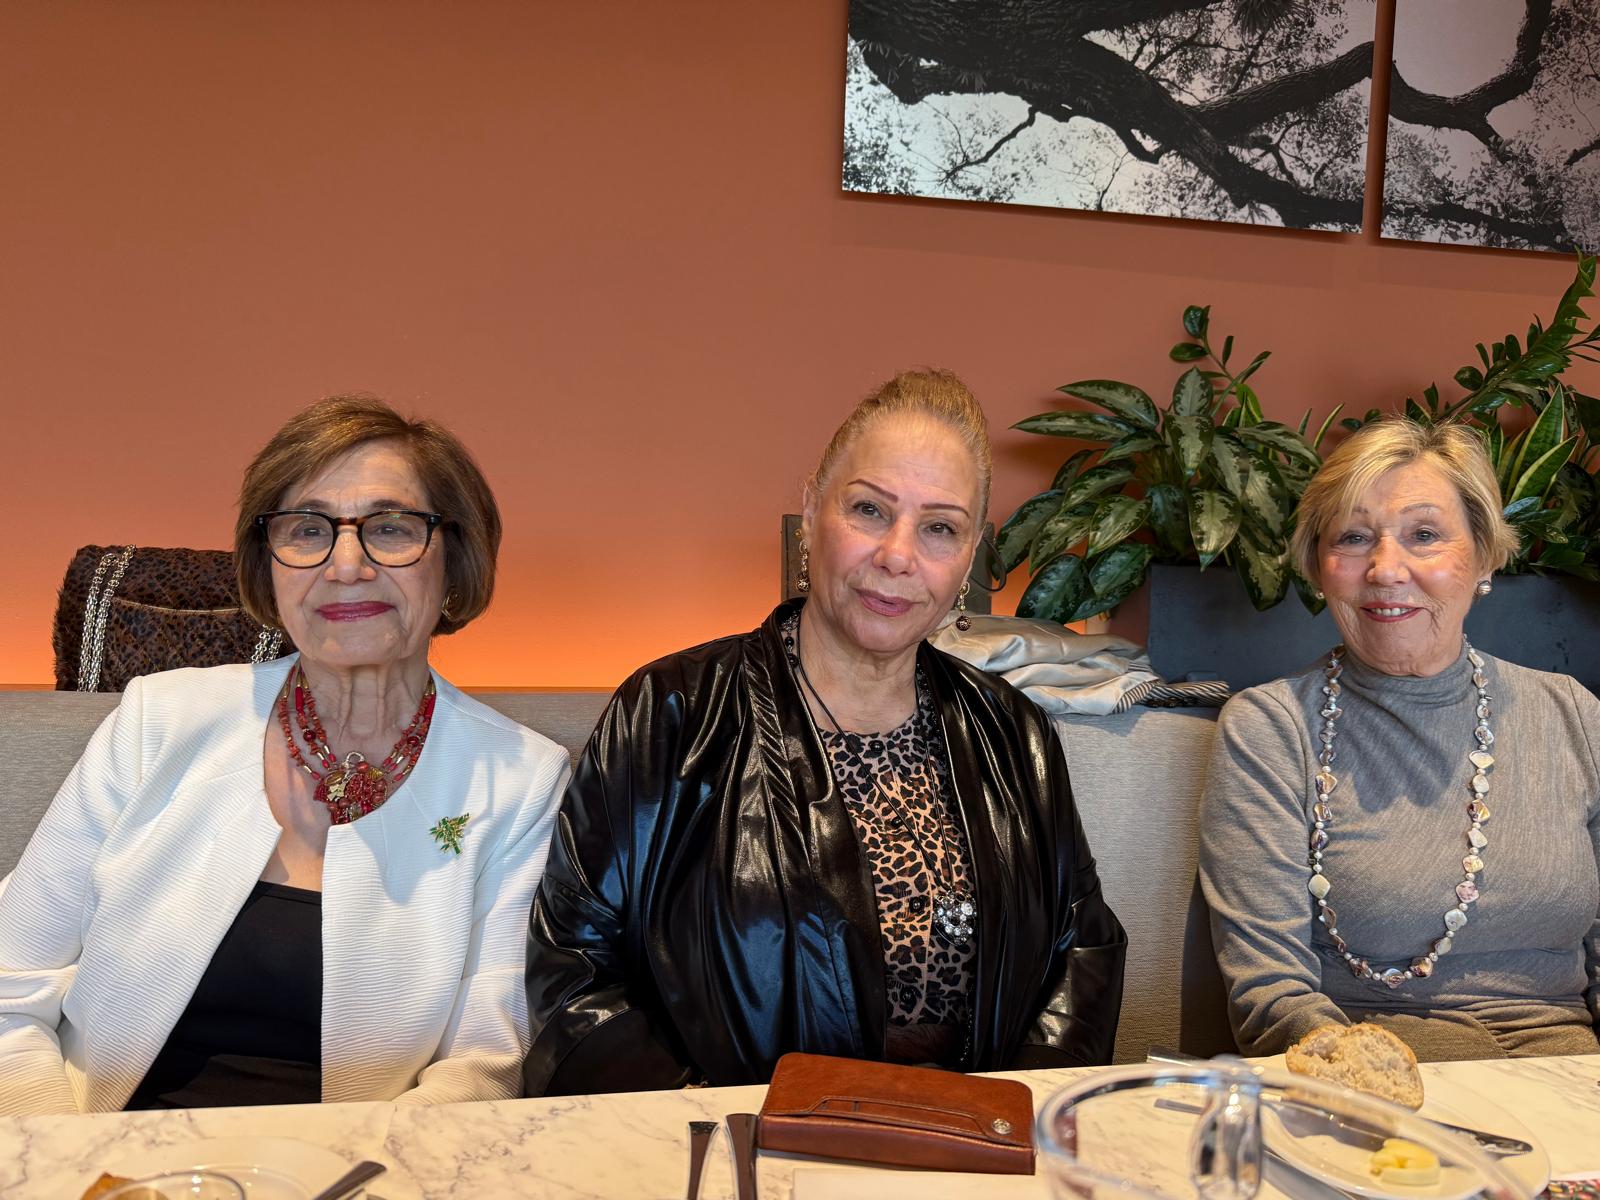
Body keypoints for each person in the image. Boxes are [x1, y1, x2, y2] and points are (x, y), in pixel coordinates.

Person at [522, 368, 1126, 1095]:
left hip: (967, 1138)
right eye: (870, 510)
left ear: (970, 556)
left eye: (939, 528)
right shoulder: (670, 712)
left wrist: (1016, 1114)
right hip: (731, 1138)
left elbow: (1083, 950)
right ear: (810, 512)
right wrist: (716, 1123)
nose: (898, 556)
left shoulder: (1013, 732)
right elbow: (576, 971)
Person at [0, 397, 571, 1114]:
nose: (346, 565)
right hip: (106, 1151)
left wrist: (366, 1167)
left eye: (391, 528)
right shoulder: (157, 721)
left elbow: (482, 1063)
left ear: (454, 561)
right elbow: (10, 985)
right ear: (268, 565)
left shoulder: (522, 781)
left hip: (368, 1161)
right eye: (307, 529)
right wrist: (65, 1154)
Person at [1200, 418, 1600, 1061]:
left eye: (1424, 535)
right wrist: (1372, 1077)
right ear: (1319, 567)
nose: (1386, 569)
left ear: (1484, 555)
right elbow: (1271, 996)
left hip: (1567, 1071)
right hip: (1378, 1075)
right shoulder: (1273, 728)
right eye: (1354, 538)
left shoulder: (1572, 714)